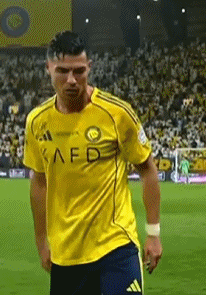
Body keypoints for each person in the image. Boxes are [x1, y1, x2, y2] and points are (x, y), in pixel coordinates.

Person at [24, 31, 163, 295]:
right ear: (48, 68)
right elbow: (39, 182)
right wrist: (41, 241)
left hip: (115, 245)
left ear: (89, 67)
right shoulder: (37, 121)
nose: (71, 80)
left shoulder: (117, 113)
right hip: (66, 254)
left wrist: (153, 233)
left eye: (79, 71)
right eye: (62, 71)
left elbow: (147, 169)